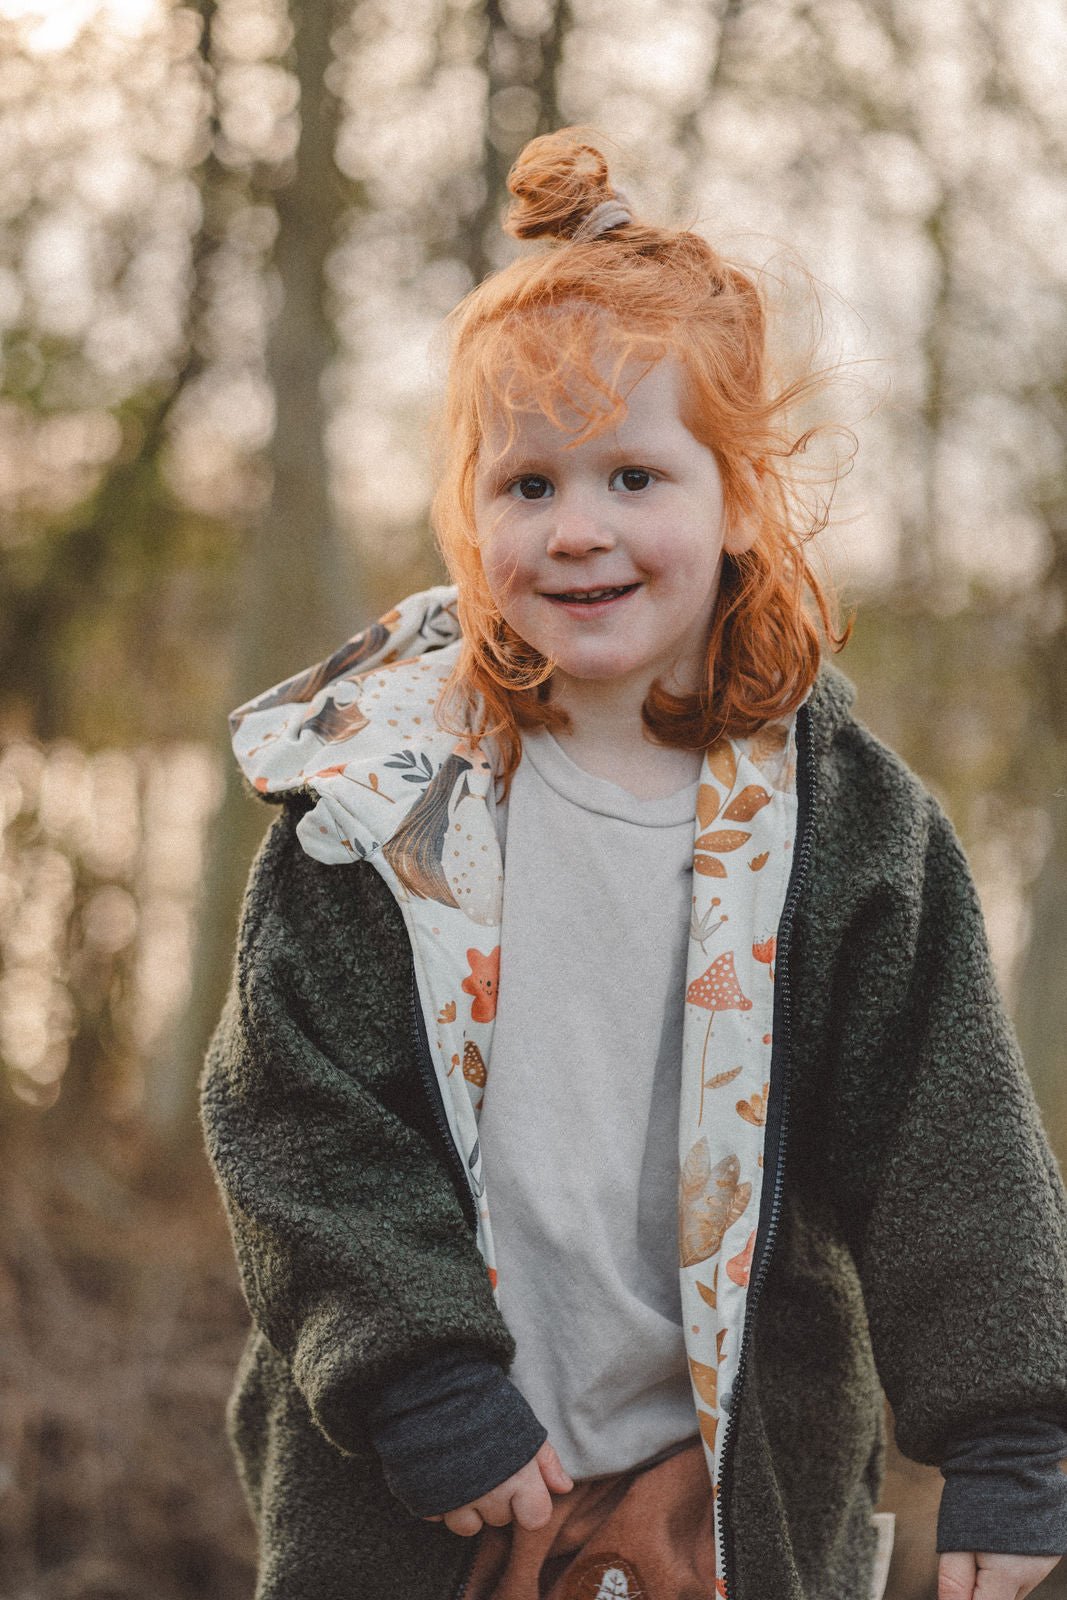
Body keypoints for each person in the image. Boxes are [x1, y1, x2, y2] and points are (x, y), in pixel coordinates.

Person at [200, 128, 1067, 1600]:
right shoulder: (375, 805)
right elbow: (294, 1115)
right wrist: (418, 1384)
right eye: (528, 486)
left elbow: (948, 1141)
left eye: (634, 476)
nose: (581, 528)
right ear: (469, 522)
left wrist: (1011, 1442)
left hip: (721, 1496)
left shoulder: (840, 823)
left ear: (737, 503)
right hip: (439, 1483)